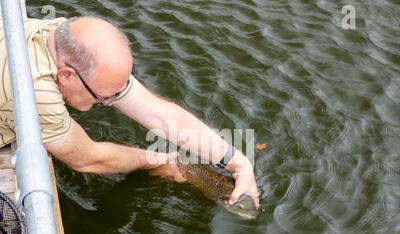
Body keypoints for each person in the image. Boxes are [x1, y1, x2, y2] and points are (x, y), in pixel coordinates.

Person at [0, 16, 259, 207]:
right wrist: (158, 160)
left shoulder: (57, 37)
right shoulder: (33, 90)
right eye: (102, 98)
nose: (109, 102)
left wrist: (238, 162)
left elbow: (162, 116)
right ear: (66, 75)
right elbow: (88, 158)